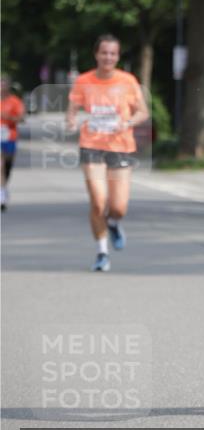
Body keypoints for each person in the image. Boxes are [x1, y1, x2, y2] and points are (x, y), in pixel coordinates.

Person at [66, 35, 149, 272]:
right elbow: (71, 111)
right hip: (91, 144)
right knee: (98, 201)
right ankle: (102, 252)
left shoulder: (128, 81)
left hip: (121, 145)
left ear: (117, 56)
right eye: (104, 53)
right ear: (96, 54)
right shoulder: (83, 80)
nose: (108, 57)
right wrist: (71, 121)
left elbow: (142, 112)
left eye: (113, 53)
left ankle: (113, 223)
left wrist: (128, 122)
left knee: (118, 207)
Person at [1, 75, 26, 212]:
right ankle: (2, 194)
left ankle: (3, 188)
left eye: (4, 84)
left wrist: (8, 117)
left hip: (9, 137)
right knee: (0, 165)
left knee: (7, 167)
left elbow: (21, 118)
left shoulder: (15, 101)